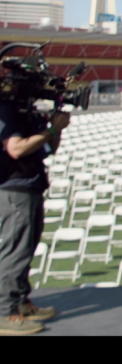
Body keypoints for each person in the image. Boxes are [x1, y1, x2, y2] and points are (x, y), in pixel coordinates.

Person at [0, 101, 69, 336]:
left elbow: (51, 148)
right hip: (15, 188)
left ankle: (21, 304)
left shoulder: (28, 112)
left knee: (26, 249)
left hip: (32, 184)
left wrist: (55, 129)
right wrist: (49, 131)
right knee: (15, 252)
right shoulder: (7, 109)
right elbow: (16, 149)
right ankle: (5, 313)